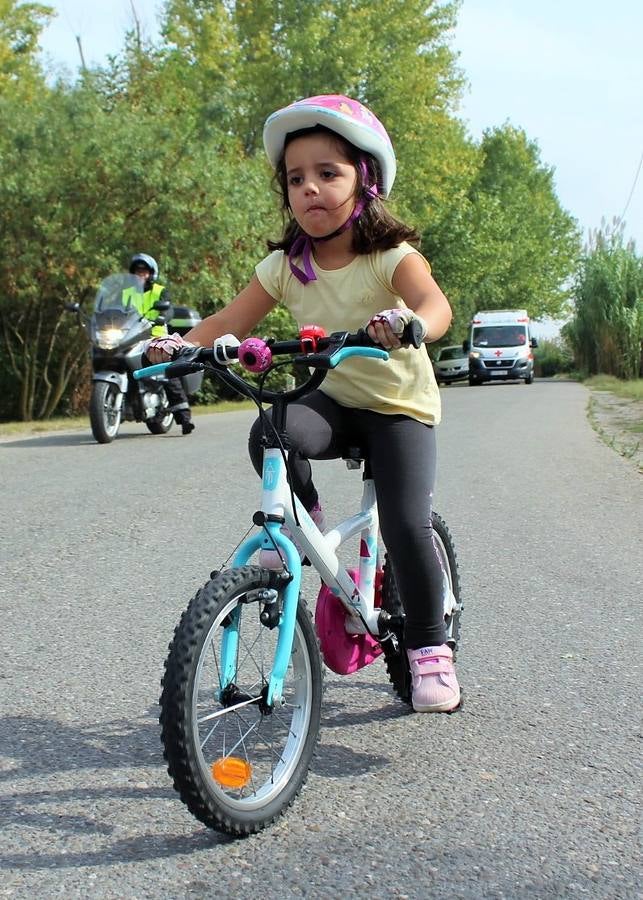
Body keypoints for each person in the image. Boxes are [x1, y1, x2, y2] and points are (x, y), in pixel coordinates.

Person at [146, 95, 459, 713]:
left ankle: (429, 647)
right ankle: (302, 522)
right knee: (272, 431)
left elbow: (437, 307)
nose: (310, 188)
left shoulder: (390, 257)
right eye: (296, 178)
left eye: (328, 173)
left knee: (405, 523)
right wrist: (180, 345)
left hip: (399, 407)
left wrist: (407, 321)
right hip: (336, 400)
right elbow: (226, 322)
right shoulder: (286, 266)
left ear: (364, 181)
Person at [128, 253, 195, 435]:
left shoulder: (159, 290)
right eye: (137, 271)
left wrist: (161, 317)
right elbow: (118, 311)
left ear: (151, 273)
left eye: (144, 271)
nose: (140, 274)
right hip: (130, 336)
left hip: (155, 338)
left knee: (167, 372)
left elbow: (169, 310)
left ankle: (184, 418)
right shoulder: (127, 293)